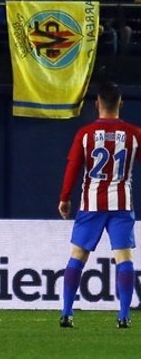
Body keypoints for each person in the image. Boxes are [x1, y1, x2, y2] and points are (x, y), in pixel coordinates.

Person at [58, 81, 139, 329]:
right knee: (123, 259)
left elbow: (73, 166)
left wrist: (64, 197)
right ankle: (124, 315)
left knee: (78, 256)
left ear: (97, 104)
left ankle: (67, 312)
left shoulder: (85, 135)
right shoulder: (134, 134)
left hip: (91, 204)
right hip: (121, 206)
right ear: (121, 104)